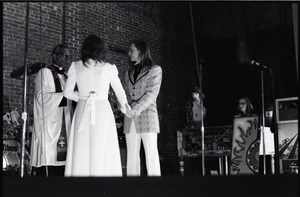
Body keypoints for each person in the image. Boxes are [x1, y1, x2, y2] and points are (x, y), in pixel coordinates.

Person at [63, 34, 130, 177]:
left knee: (82, 146)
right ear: (102, 49)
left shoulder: (75, 66)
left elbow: (67, 93)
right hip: (102, 110)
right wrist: (126, 109)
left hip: (82, 109)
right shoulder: (109, 68)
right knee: (102, 145)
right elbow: (120, 92)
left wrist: (82, 98)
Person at [30, 43, 73, 176]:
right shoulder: (44, 72)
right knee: (49, 158)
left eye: (68, 56)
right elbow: (40, 97)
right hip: (50, 122)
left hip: (65, 120)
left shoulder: (67, 76)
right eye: (63, 55)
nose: (66, 59)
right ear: (54, 56)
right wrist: (63, 95)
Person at [123, 39, 162, 176]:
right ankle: (132, 188)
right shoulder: (128, 73)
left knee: (151, 153)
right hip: (130, 118)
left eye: (131, 50)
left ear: (140, 51)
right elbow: (126, 94)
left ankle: (156, 187)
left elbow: (151, 93)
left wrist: (136, 108)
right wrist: (125, 106)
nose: (129, 53)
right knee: (132, 155)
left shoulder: (155, 70)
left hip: (147, 117)